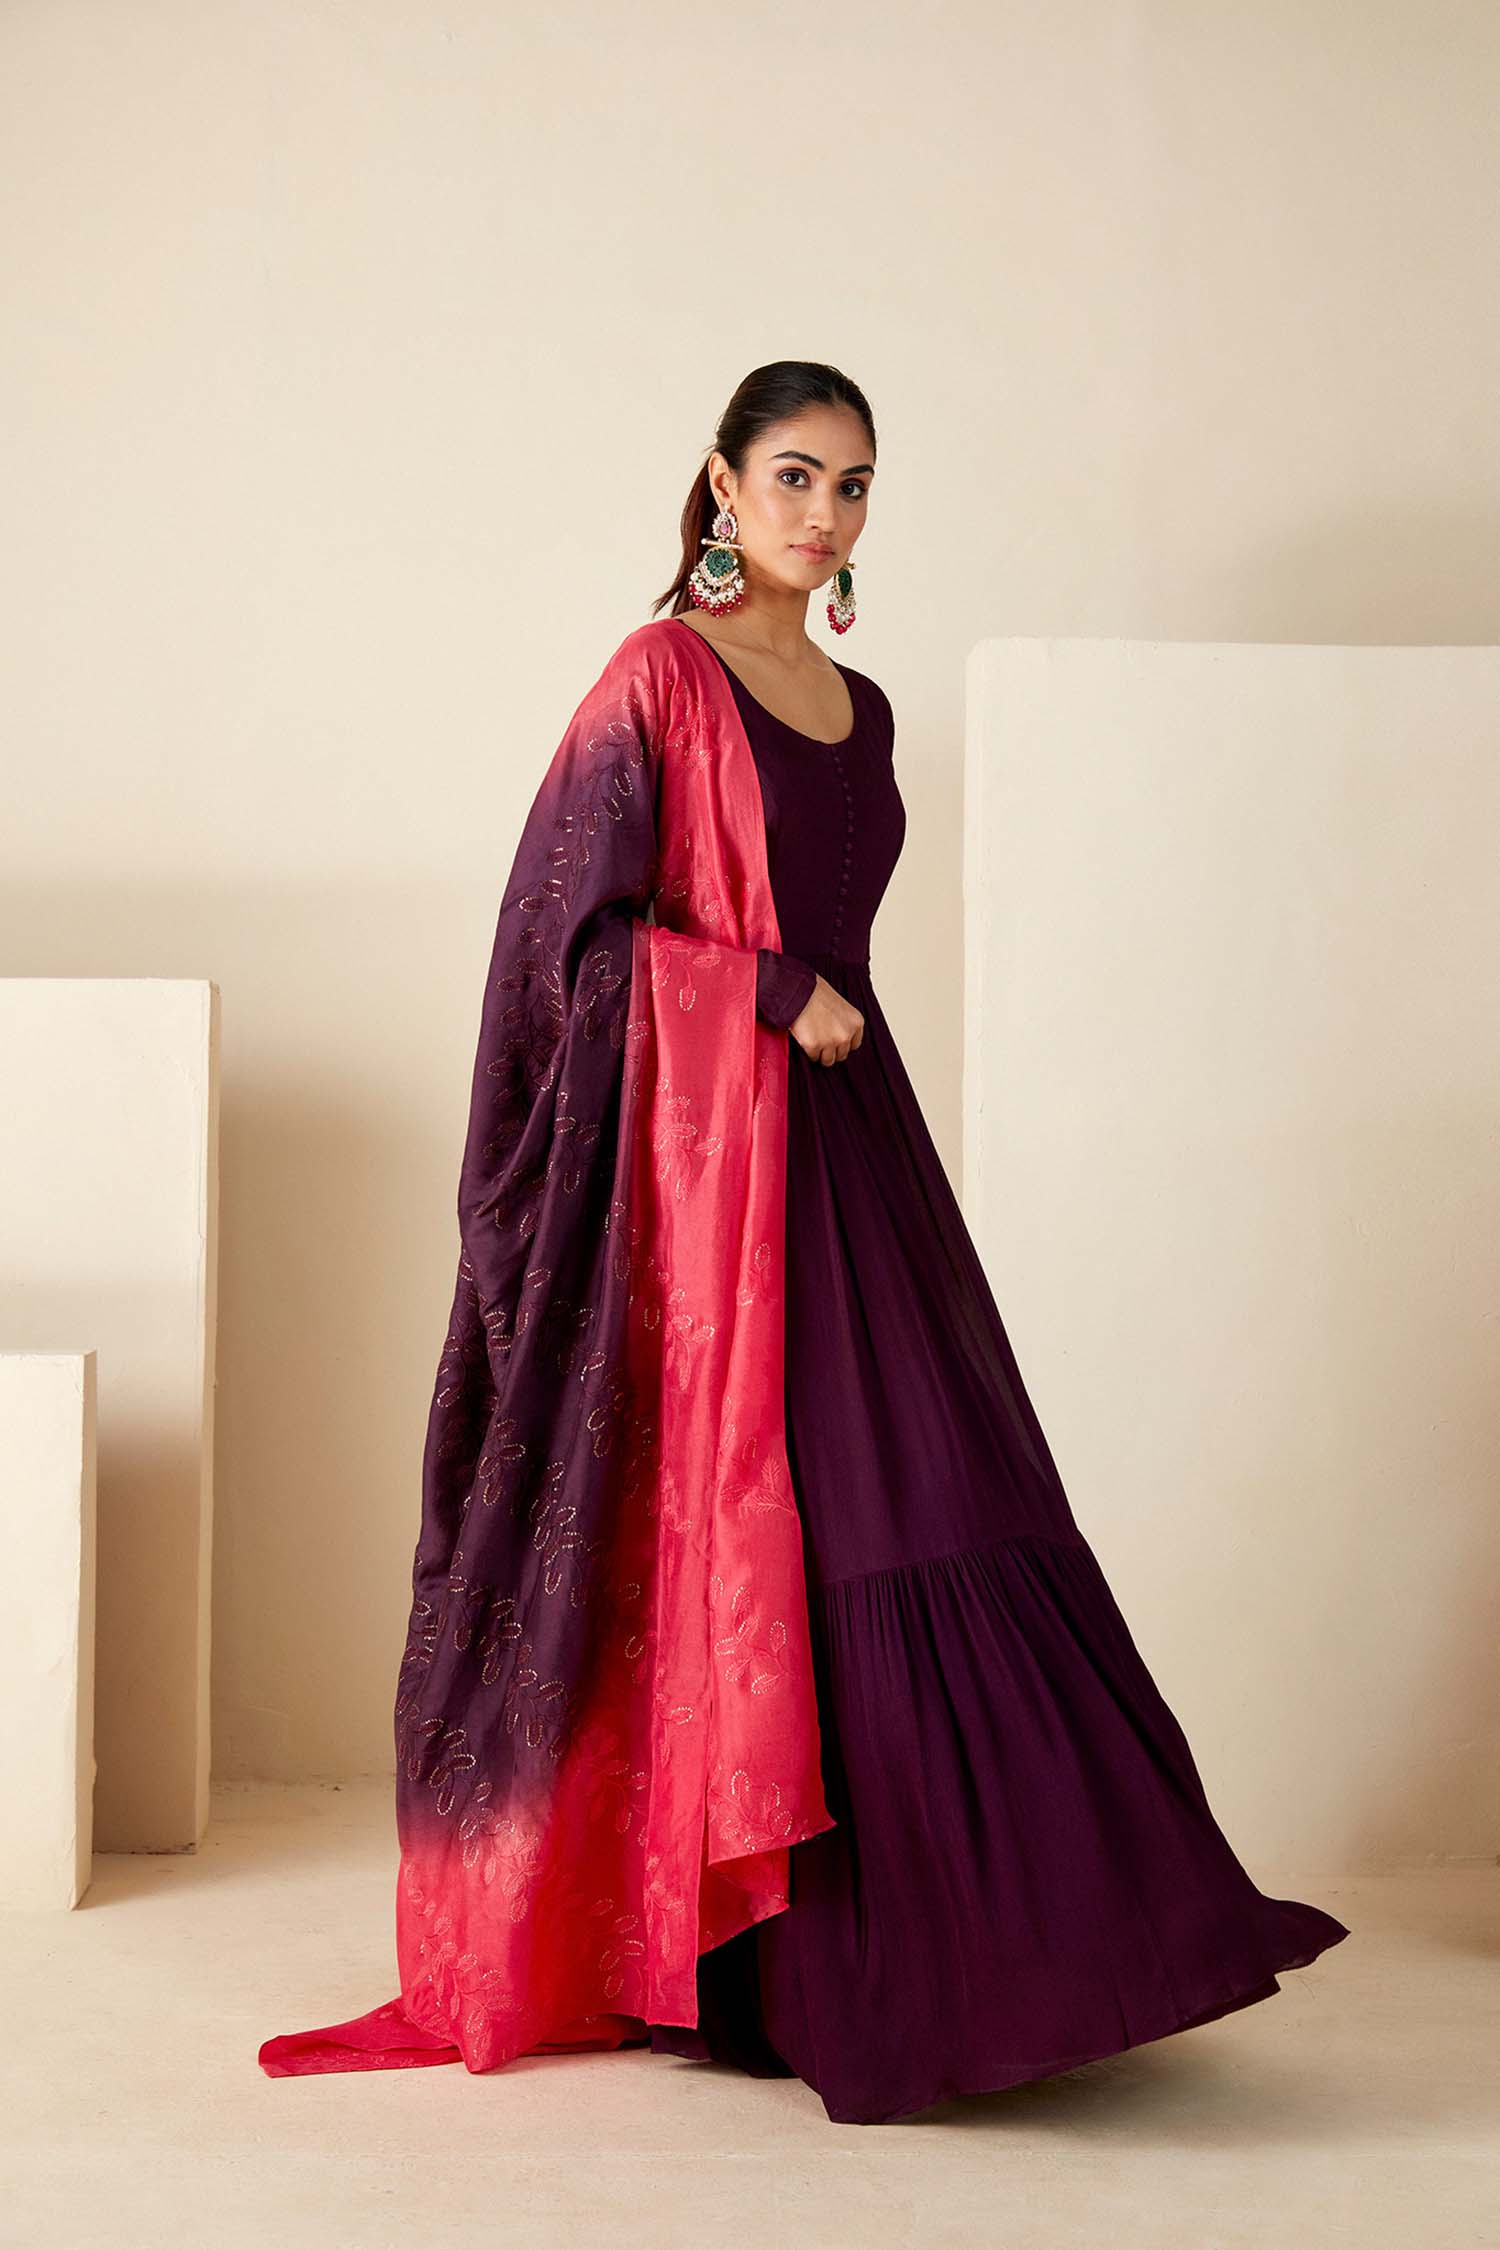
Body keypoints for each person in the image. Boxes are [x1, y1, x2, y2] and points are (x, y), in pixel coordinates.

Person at [259, 360, 1348, 2125]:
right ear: (720, 483)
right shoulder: (654, 680)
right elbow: (561, 946)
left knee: (941, 1493)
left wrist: (803, 1004)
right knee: (808, 1522)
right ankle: (813, 1980)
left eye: (852, 485)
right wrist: (759, 987)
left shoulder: (868, 706)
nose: (823, 514)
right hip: (719, 1185)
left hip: (853, 1154)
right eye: (792, 475)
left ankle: (1036, 1950)